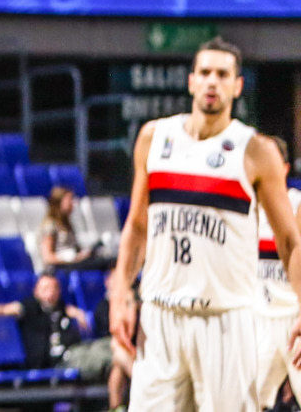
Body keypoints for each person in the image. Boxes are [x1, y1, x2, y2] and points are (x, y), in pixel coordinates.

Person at [110, 40, 301, 412]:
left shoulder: (256, 151)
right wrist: (121, 294)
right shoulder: (154, 137)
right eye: (206, 73)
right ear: (191, 81)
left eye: (223, 74)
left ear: (237, 86)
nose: (213, 82)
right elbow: (136, 226)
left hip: (225, 321)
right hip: (160, 317)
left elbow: (290, 242)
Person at [0, 272, 113, 382]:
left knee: (110, 346)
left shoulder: (62, 308)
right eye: (45, 288)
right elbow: (8, 309)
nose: (50, 293)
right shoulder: (30, 306)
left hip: (78, 351)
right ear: (36, 291)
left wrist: (78, 315)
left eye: (54, 288)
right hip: (59, 361)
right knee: (109, 356)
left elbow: (70, 312)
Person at [254, 136, 300, 410]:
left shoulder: (297, 204)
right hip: (261, 320)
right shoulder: (247, 209)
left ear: (281, 168)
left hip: (295, 321)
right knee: (243, 402)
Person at [41, 184, 108, 268]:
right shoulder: (50, 225)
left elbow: (75, 248)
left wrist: (84, 254)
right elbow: (48, 257)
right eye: (69, 200)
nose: (73, 204)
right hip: (62, 267)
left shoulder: (67, 224)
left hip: (74, 263)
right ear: (59, 202)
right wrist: (71, 259)